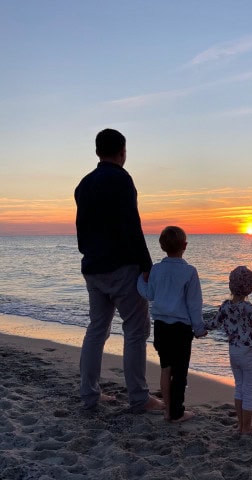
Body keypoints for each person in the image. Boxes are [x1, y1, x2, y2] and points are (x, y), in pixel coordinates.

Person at [75, 128, 164, 413]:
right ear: (122, 151)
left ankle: (89, 394)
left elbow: (81, 231)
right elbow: (131, 226)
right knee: (136, 330)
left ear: (97, 151)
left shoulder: (84, 184)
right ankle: (139, 397)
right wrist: (147, 265)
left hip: (93, 266)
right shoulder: (122, 179)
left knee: (96, 329)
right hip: (121, 266)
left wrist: (90, 254)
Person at [137, 226, 207, 423]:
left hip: (161, 327)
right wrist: (199, 328)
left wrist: (140, 281)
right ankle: (176, 413)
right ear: (185, 246)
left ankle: (168, 410)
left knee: (166, 368)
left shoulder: (156, 270)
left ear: (161, 246)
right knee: (180, 373)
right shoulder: (189, 272)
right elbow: (194, 304)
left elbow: (149, 294)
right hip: (181, 329)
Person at [206, 266, 252, 434]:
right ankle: (247, 427)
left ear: (230, 285)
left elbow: (214, 323)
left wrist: (199, 328)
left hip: (233, 352)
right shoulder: (249, 308)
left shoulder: (225, 306)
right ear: (250, 288)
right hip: (249, 353)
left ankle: (240, 424)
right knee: (249, 388)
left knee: (239, 386)